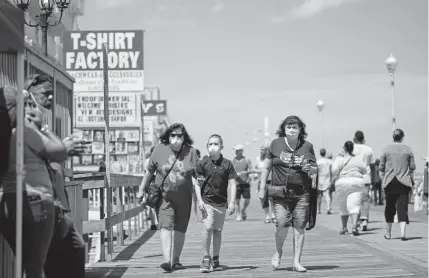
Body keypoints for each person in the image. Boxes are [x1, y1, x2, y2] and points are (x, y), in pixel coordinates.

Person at [23, 74, 87, 278]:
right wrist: (63, 149)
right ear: (30, 96)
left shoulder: (41, 122)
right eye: (45, 94)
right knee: (63, 256)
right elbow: (48, 155)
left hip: (56, 204)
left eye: (52, 94)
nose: (50, 98)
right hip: (43, 204)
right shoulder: (27, 124)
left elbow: (55, 154)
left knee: (71, 253)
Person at [0, 85, 67, 278]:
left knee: (21, 259)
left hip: (6, 203)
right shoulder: (24, 133)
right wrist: (43, 126)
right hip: (36, 201)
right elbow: (60, 152)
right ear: (15, 109)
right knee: (35, 266)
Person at [258, 115, 317, 272]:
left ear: (300, 130)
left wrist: (310, 169)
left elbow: (315, 168)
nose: (292, 129)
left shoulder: (307, 146)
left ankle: (296, 261)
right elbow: (267, 167)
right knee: (282, 223)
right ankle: (278, 251)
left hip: (302, 193)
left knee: (299, 226)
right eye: (289, 127)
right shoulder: (276, 144)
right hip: (280, 192)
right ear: (284, 129)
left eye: (295, 127)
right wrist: (262, 187)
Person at [137, 123, 198, 272]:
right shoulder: (159, 149)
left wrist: (200, 200)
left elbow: (196, 176)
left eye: (179, 136)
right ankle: (166, 259)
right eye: (173, 135)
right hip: (165, 197)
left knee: (180, 229)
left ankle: (176, 260)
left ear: (184, 138)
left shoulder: (190, 152)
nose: (176, 138)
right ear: (168, 136)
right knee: (166, 226)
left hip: (184, 198)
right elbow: (149, 171)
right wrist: (141, 189)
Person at [194, 134, 237, 273]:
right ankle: (206, 257)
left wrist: (232, 202)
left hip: (221, 202)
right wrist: (199, 200)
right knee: (207, 228)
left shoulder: (227, 164)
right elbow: (197, 182)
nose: (213, 146)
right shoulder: (202, 163)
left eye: (216, 144)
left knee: (217, 231)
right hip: (207, 201)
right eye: (210, 144)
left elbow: (232, 183)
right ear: (207, 147)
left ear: (221, 146)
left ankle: (216, 258)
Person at [379, 129, 415, 241]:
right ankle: (403, 233)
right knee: (402, 208)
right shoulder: (408, 150)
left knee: (389, 207)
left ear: (393, 137)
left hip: (390, 182)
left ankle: (388, 234)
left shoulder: (386, 149)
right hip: (403, 182)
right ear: (402, 137)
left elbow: (381, 167)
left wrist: (384, 179)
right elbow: (412, 167)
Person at [332, 141, 368, 236]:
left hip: (342, 183)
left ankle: (344, 228)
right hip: (356, 182)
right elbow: (364, 171)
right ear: (352, 149)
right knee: (355, 206)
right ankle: (354, 226)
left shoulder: (340, 159)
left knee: (343, 206)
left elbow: (334, 171)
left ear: (344, 148)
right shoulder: (357, 159)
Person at [352, 130, 375, 231]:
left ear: (354, 139)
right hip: (366, 177)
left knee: (355, 200)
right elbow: (372, 164)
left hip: (354, 177)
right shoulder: (369, 149)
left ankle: (356, 221)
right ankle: (364, 219)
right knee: (365, 199)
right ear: (363, 139)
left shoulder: (351, 149)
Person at [254, 144, 275, 223]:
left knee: (272, 198)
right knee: (263, 199)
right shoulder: (258, 159)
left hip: (270, 181)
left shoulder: (271, 159)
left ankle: (273, 214)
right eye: (261, 149)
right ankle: (267, 215)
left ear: (267, 150)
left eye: (263, 149)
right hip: (261, 181)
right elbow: (255, 169)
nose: (261, 151)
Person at [232, 144, 253, 221]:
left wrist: (245, 172)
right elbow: (230, 172)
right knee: (237, 200)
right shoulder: (233, 161)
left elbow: (251, 170)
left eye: (237, 150)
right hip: (236, 183)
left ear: (241, 151)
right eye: (235, 151)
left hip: (245, 183)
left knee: (247, 199)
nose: (235, 152)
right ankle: (238, 214)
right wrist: (235, 174)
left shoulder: (247, 160)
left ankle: (243, 210)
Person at [317, 148, 333, 214]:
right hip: (327, 179)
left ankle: (318, 210)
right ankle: (328, 208)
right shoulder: (329, 162)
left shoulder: (318, 162)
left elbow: (315, 171)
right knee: (327, 194)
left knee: (319, 196)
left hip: (319, 180)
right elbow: (332, 171)